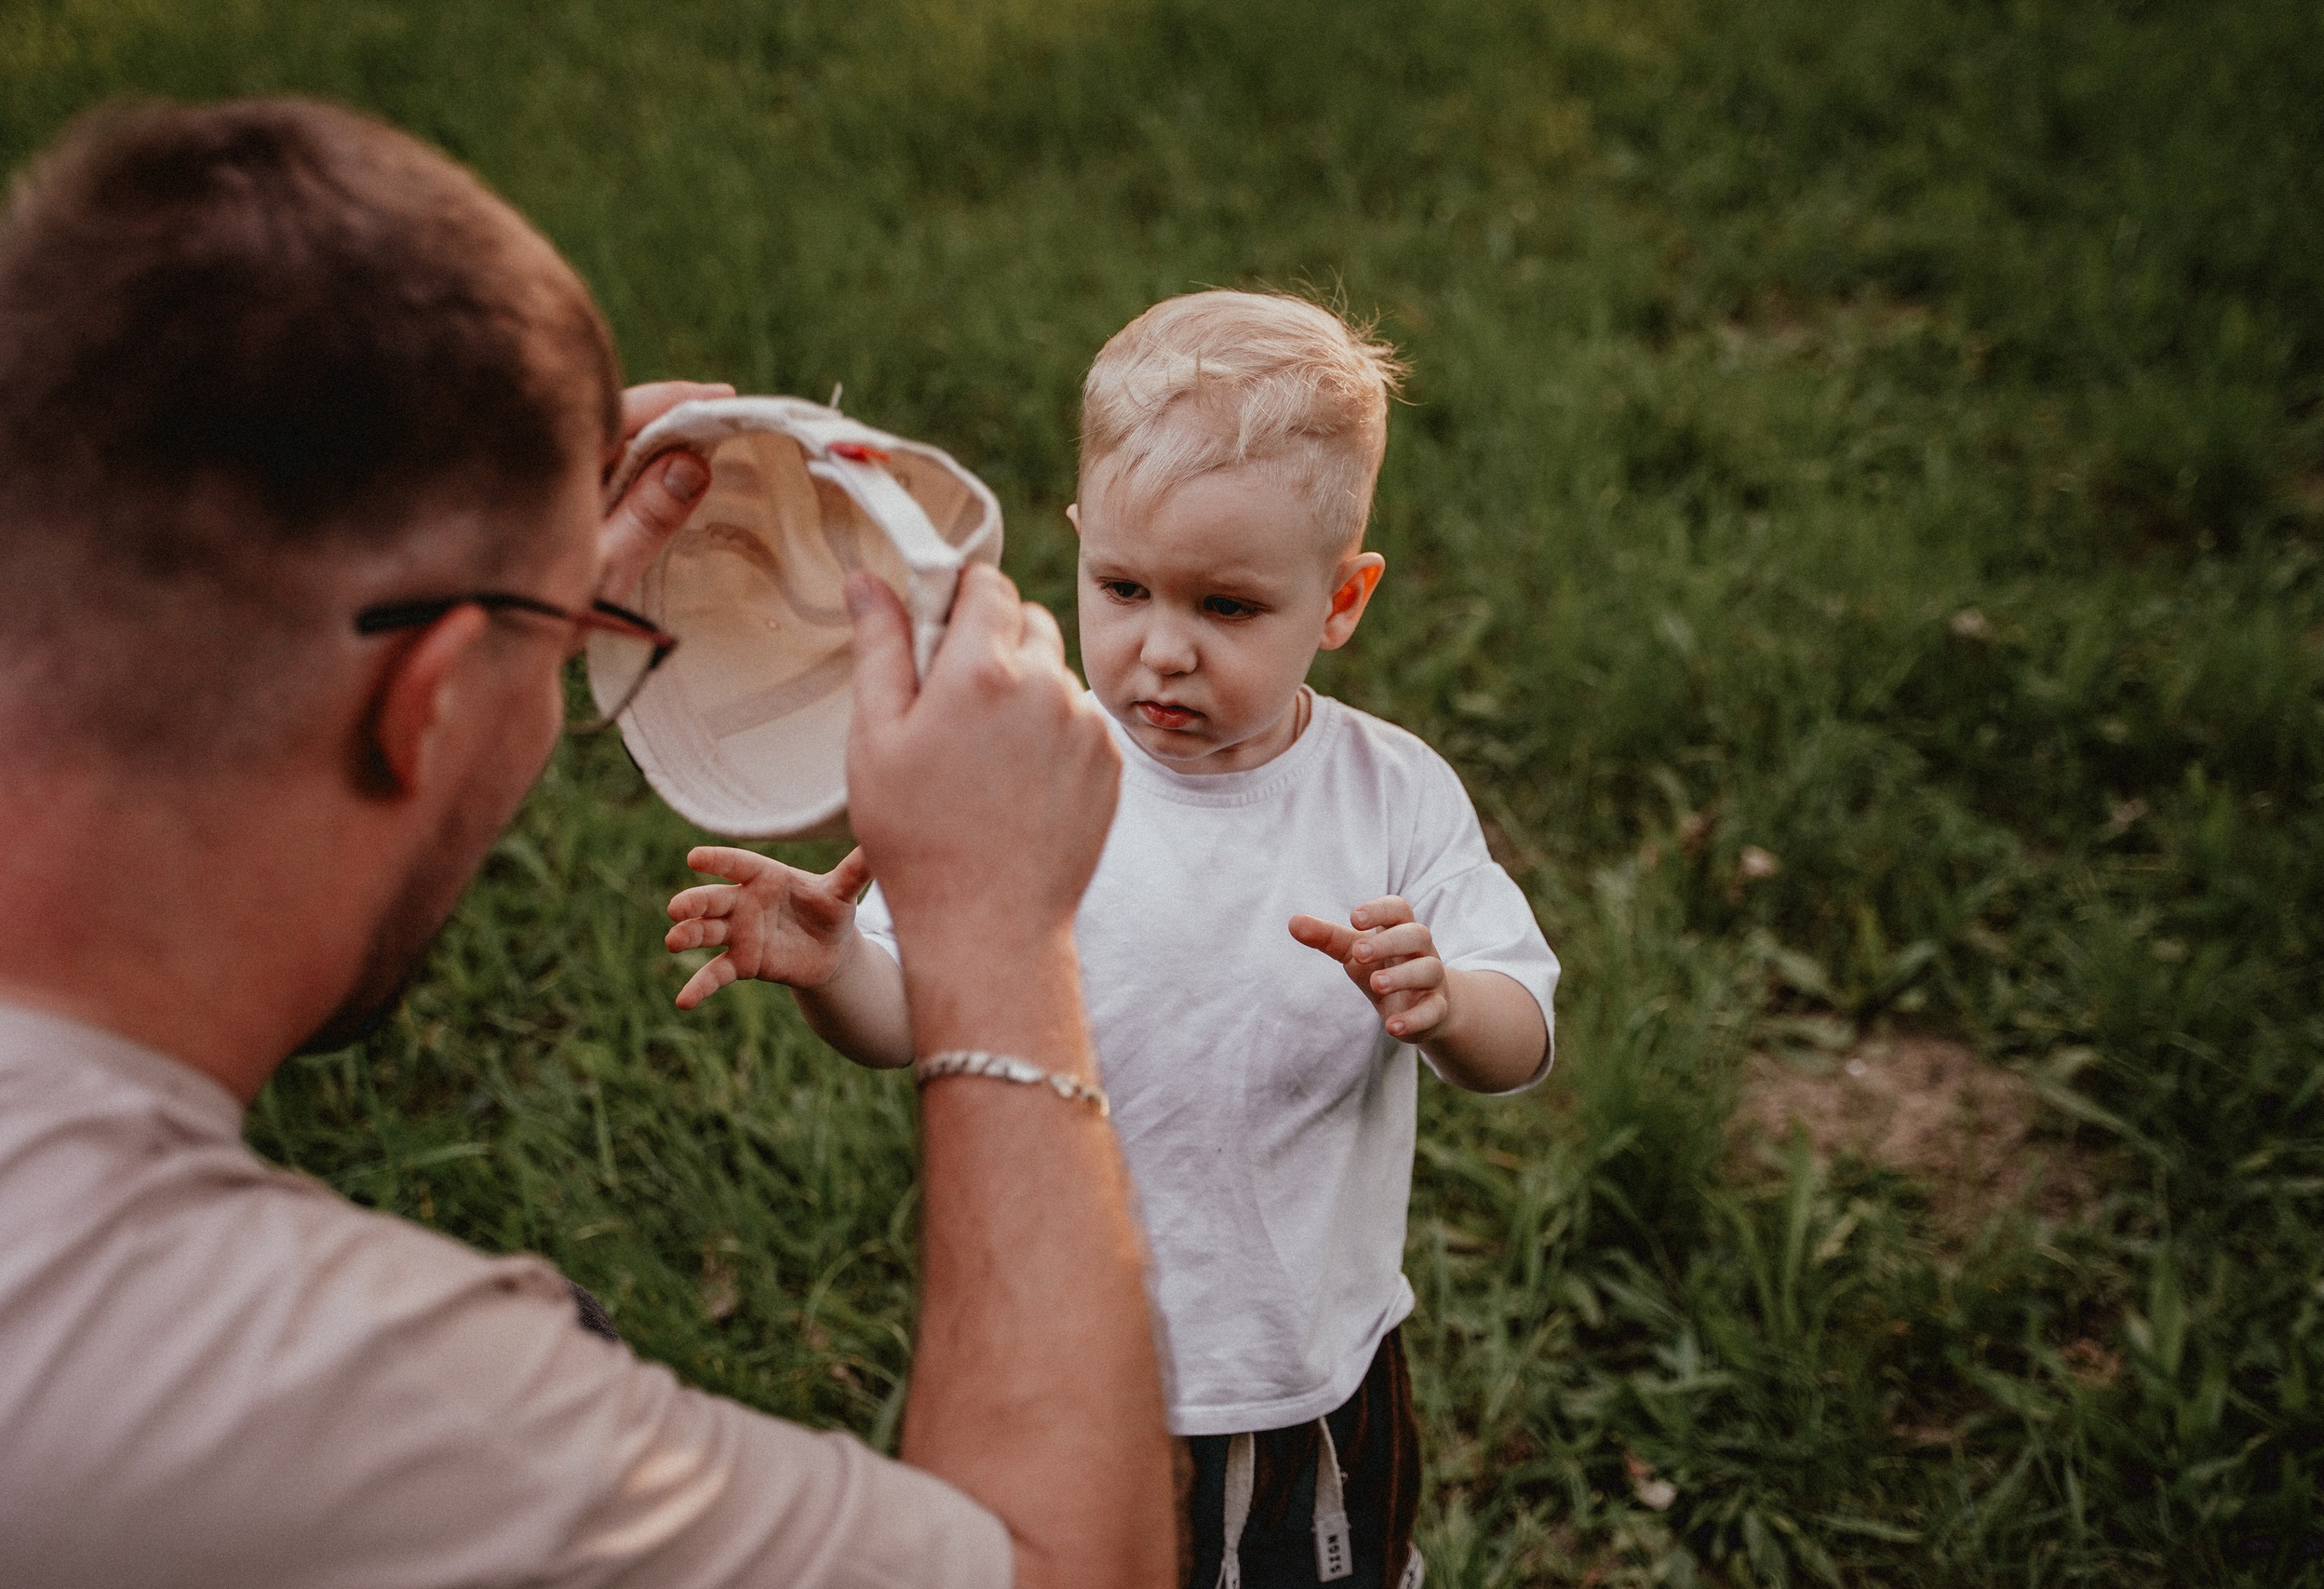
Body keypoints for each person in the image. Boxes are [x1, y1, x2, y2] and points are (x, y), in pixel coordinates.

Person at [0, 97, 1174, 1588]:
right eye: (555, 643)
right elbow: (1066, 1569)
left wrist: (509, 594)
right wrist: (1003, 936)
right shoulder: (315, 1395)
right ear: (420, 704)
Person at [664, 290, 1562, 1587]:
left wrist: (1449, 998)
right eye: (1124, 588)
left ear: (1342, 599)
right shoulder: (1033, 767)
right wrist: (838, 965)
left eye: (1229, 609)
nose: (1161, 651)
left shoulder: (1389, 796)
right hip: (1055, 1363)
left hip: (1284, 1380)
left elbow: (1522, 1029)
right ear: (1077, 547)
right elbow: (933, 1017)